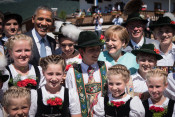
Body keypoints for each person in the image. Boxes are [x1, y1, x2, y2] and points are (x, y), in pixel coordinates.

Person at [65, 31, 112, 117]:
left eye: (98, 49)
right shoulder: (73, 71)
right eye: (91, 50)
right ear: (81, 51)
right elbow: (71, 100)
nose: (96, 53)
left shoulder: (107, 66)